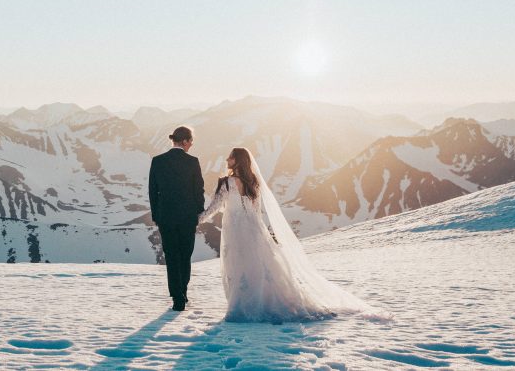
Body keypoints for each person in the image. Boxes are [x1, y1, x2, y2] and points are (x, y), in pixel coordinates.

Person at [199, 147, 387, 323]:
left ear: (238, 161)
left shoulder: (226, 183)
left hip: (235, 229)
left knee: (238, 265)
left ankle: (241, 307)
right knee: (260, 266)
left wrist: (197, 219)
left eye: (230, 157)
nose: (227, 159)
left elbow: (214, 208)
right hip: (254, 228)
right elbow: (256, 211)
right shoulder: (254, 182)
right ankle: (264, 301)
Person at [148, 125, 205, 311]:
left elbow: (153, 192)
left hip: (166, 217)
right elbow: (199, 191)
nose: (191, 146)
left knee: (171, 256)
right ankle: (183, 291)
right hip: (187, 217)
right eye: (191, 142)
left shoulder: (158, 161)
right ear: (186, 141)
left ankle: (177, 296)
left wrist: (157, 215)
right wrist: (199, 211)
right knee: (185, 255)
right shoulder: (193, 162)